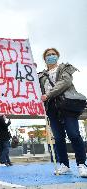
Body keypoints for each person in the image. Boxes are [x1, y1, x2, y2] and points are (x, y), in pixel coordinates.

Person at [38, 48, 87, 177]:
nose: (51, 56)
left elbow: (65, 82)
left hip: (66, 106)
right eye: (48, 55)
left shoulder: (65, 68)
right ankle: (64, 165)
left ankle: (81, 164)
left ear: (58, 56)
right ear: (45, 58)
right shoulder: (41, 75)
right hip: (51, 109)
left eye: (53, 54)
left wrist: (48, 94)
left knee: (74, 134)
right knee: (58, 138)